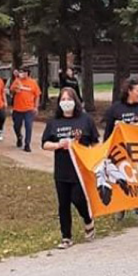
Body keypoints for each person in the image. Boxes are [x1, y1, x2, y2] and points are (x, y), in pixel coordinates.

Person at [42, 87, 98, 249]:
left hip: (80, 170)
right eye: (63, 100)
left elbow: (95, 143)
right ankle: (66, 237)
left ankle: (88, 220)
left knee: (78, 198)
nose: (66, 102)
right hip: (62, 169)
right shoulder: (54, 122)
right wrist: (58, 144)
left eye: (69, 99)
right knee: (63, 203)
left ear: (75, 101)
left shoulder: (85, 120)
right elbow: (45, 144)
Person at [104, 77, 138, 223]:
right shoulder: (115, 109)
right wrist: (106, 152)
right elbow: (108, 133)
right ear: (129, 91)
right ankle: (121, 208)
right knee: (122, 180)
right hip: (122, 154)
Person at [10, 67, 41, 152]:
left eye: (24, 72)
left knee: (28, 126)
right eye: (21, 72)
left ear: (28, 73)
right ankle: (19, 137)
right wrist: (16, 88)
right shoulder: (17, 81)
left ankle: (27, 144)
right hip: (17, 109)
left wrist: (36, 107)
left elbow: (37, 95)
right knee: (16, 126)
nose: (22, 73)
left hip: (29, 109)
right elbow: (11, 90)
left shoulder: (33, 83)